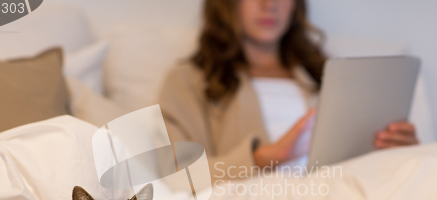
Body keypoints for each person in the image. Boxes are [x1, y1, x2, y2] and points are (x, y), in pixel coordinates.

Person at [159, 0, 421, 180]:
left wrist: (401, 148)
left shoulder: (329, 74)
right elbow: (177, 176)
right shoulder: (189, 80)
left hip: (339, 188)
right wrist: (264, 158)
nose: (269, 4)